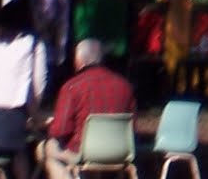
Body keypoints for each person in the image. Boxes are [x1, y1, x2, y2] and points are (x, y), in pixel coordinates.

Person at [37, 39, 136, 179]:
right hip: (121, 151)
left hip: (83, 152)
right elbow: (132, 125)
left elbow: (60, 130)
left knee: (46, 149)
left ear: (78, 60)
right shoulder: (125, 86)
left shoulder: (72, 87)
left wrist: (49, 124)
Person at [0, 0, 48, 179]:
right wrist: (34, 112)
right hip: (12, 116)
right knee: (21, 151)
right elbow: (39, 83)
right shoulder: (32, 44)